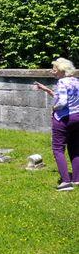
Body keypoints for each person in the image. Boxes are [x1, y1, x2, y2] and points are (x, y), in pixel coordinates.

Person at [35, 57, 79, 191]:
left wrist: (53, 109)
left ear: (61, 70)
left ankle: (66, 182)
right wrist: (46, 90)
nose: (52, 71)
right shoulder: (76, 81)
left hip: (64, 119)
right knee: (76, 148)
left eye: (54, 69)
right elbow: (62, 96)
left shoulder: (62, 82)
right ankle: (77, 179)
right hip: (77, 117)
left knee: (58, 149)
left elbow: (62, 102)